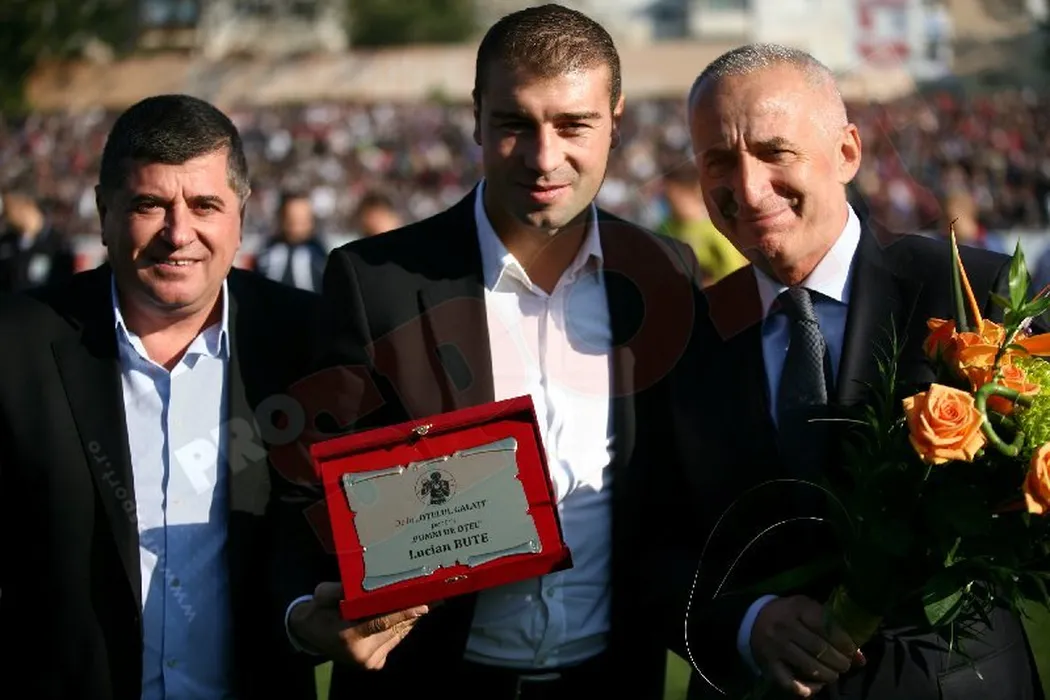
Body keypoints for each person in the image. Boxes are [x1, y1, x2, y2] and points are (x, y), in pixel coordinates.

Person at [272, 5, 699, 699]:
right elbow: (302, 483)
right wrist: (306, 612)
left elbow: (682, 489)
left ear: (615, 122)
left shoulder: (665, 274)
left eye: (573, 125)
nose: (543, 156)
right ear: (476, 119)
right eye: (514, 124)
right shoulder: (375, 281)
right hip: (428, 682)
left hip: (613, 679)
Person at [645, 44, 1045, 699]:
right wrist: (747, 623)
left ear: (847, 153)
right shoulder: (682, 337)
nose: (747, 188)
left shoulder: (973, 293)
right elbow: (647, 544)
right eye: (718, 160)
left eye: (775, 152)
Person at [0, 94, 320, 700]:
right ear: (104, 211)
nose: (178, 234)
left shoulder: (307, 338)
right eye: (150, 205)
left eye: (204, 205)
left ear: (241, 214)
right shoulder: (16, 343)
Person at [657, 164, 747, 286]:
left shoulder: (715, 226)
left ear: (690, 192)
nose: (667, 201)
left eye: (671, 196)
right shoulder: (663, 229)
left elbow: (736, 270)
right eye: (665, 196)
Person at [253, 189, 329, 292]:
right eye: (292, 219)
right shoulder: (267, 252)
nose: (297, 226)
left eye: (303, 220)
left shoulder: (319, 254)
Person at [0, 191, 76, 292]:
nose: (10, 217)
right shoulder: (6, 242)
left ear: (28, 207)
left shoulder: (58, 244)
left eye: (13, 210)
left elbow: (64, 281)